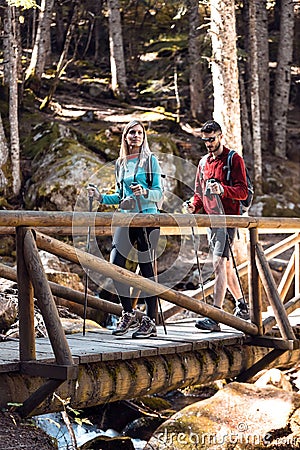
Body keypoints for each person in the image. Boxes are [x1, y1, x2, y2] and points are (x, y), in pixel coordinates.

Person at [87, 120, 163, 338]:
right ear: (126, 136)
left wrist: (145, 192)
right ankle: (128, 313)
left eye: (139, 133)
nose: (136, 136)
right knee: (115, 264)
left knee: (146, 268)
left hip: (148, 218)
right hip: (126, 217)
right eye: (132, 132)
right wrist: (100, 197)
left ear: (143, 137)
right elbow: (120, 197)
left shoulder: (151, 161)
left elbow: (159, 193)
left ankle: (150, 321)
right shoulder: (121, 163)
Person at [186, 120, 250, 332]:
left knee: (218, 264)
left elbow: (243, 192)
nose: (209, 144)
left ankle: (215, 316)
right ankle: (242, 306)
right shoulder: (203, 162)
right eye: (205, 140)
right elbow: (198, 193)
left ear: (221, 136)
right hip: (211, 221)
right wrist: (192, 207)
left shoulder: (233, 159)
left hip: (228, 219)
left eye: (212, 139)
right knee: (226, 267)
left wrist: (223, 190)